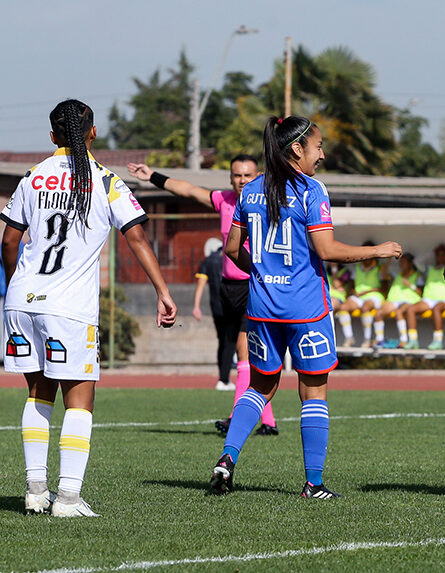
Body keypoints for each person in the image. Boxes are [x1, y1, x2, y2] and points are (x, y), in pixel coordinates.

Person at [209, 115, 401, 498]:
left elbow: (232, 250)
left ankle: (227, 459)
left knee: (260, 386)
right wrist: (377, 251)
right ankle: (313, 483)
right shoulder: (311, 190)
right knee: (313, 392)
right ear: (297, 149)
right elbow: (327, 251)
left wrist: (261, 271)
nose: (323, 155)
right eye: (318, 147)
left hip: (262, 308)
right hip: (306, 309)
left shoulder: (250, 191)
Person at [3, 99, 177, 517]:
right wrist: (163, 291)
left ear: (52, 137)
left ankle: (34, 492)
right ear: (93, 133)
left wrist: (15, 286)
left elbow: (9, 242)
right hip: (69, 307)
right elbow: (136, 239)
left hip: (22, 300)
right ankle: (67, 497)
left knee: (37, 394)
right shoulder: (107, 182)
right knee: (78, 402)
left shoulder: (32, 176)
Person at [128, 155, 278, 435]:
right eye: (237, 175)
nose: (242, 180)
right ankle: (268, 421)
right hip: (227, 286)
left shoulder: (265, 203)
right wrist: (152, 176)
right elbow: (187, 189)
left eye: (247, 175)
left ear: (258, 176)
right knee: (243, 353)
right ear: (230, 178)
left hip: (254, 286)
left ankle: (237, 417)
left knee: (244, 353)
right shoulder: (224, 200)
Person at [194, 238, 235, 391]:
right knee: (230, 342)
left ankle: (222, 377)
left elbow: (200, 285)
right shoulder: (230, 256)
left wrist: (196, 306)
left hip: (216, 307)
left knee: (222, 341)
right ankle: (224, 380)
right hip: (231, 305)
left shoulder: (207, 262)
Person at [334, 244, 390, 347]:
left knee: (365, 307)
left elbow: (384, 288)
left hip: (374, 295)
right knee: (342, 308)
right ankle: (349, 337)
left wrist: (367, 292)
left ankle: (367, 339)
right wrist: (352, 290)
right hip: (359, 296)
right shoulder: (358, 267)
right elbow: (352, 283)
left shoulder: (379, 268)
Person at [408, 244, 445, 350]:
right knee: (411, 309)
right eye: (438, 255)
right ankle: (413, 340)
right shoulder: (429, 269)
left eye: (442, 255)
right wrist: (431, 252)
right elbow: (417, 262)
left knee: (436, 309)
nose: (440, 257)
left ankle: (437, 340)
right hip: (428, 299)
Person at [375, 253, 424, 349]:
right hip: (394, 300)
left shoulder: (417, 276)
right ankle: (379, 339)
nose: (401, 264)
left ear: (410, 263)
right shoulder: (397, 275)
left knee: (399, 312)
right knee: (379, 313)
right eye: (401, 262)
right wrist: (388, 259)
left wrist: (410, 285)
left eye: (404, 262)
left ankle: (404, 340)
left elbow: (420, 292)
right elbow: (383, 274)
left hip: (410, 300)